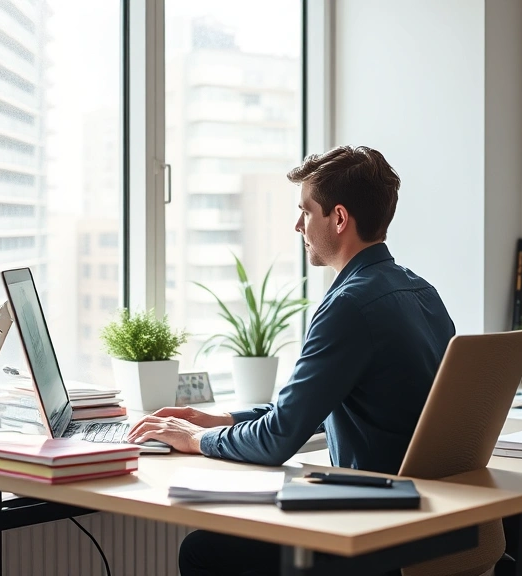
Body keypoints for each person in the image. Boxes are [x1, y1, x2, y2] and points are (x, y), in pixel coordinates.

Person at [127, 145, 456, 576]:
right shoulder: (420, 292)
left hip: (373, 533)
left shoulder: (349, 305)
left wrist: (194, 440)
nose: (297, 224)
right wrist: (220, 420)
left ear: (338, 219)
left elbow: (278, 439)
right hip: (432, 521)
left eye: (305, 210)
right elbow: (315, 408)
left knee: (204, 551)